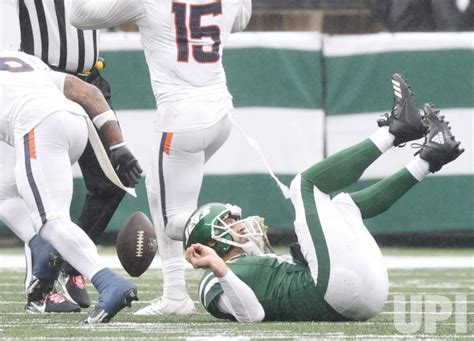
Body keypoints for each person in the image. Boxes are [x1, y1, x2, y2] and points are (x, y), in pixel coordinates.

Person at [183, 74, 464, 322]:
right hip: (336, 292)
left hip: (357, 294)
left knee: (344, 205)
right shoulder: (211, 281)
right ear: (211, 241)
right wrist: (217, 266)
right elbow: (252, 315)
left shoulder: (251, 260)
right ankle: (394, 131)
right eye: (229, 223)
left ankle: (428, 159)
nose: (241, 225)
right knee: (304, 185)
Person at [70, 0, 252, 315]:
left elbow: (79, 16)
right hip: (220, 114)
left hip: (181, 120)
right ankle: (175, 294)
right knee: (158, 190)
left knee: (172, 222)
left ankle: (239, 234)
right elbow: (240, 19)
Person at [0, 50, 142, 323]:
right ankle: (42, 246)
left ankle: (108, 282)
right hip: (75, 122)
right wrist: (118, 146)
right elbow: (89, 93)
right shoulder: (22, 61)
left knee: (51, 221)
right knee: (5, 191)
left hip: (37, 124)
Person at [12, 0, 127, 310]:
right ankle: (40, 291)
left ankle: (70, 265)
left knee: (112, 181)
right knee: (36, 199)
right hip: (41, 81)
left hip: (89, 80)